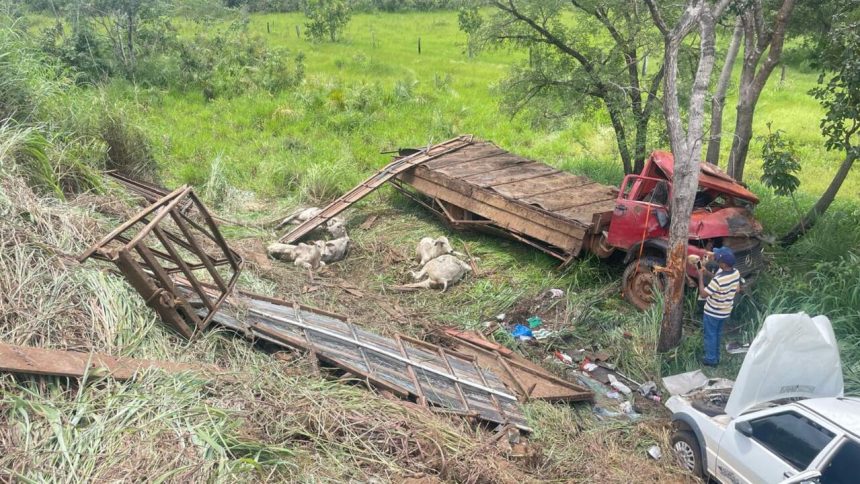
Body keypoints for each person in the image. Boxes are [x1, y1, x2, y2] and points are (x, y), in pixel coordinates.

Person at [697, 247, 740, 367]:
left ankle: (711, 360)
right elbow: (737, 289)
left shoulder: (718, 280)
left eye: (718, 259)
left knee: (710, 334)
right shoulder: (735, 272)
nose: (716, 260)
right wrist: (707, 273)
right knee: (717, 333)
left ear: (723, 264)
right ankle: (716, 355)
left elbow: (703, 294)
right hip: (725, 311)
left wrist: (701, 276)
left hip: (713, 312)